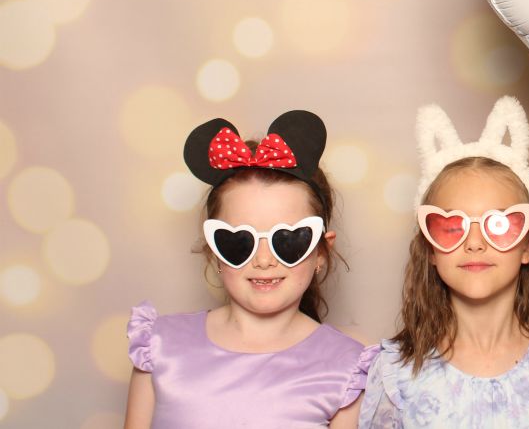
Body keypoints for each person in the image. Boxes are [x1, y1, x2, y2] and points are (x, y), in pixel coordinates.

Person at [358, 96, 529, 428]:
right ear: (430, 248)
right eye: (451, 226)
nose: (474, 243)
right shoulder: (395, 371)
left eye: (499, 225)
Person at [124, 110, 375, 429]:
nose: (264, 260)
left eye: (288, 240)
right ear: (214, 251)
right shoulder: (159, 346)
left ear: (321, 252)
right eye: (240, 241)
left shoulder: (349, 369)